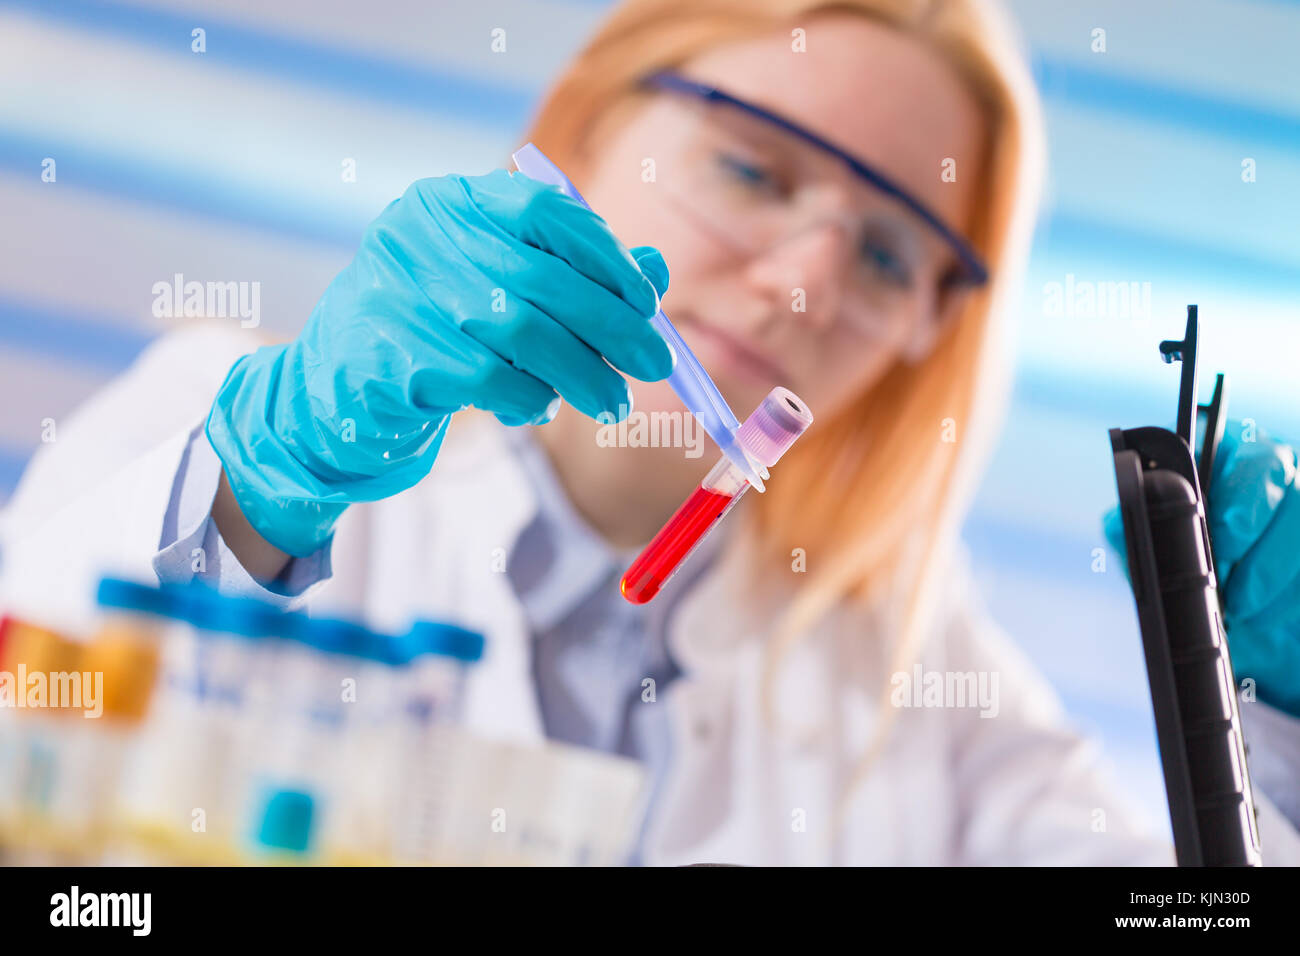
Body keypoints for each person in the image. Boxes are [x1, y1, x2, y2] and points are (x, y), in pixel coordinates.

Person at [2, 0, 1298, 865]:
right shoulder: (227, 417)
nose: (804, 283)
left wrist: (1282, 715)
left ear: (928, 328)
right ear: (581, 135)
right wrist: (268, 479)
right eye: (754, 169)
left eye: (891, 249)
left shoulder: (921, 683)